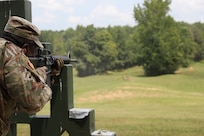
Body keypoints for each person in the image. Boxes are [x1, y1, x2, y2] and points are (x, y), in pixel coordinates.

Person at [0, 16, 52, 136]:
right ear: (25, 48)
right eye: (33, 50)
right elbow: (32, 102)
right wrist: (45, 83)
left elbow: (11, 94)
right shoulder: (11, 54)